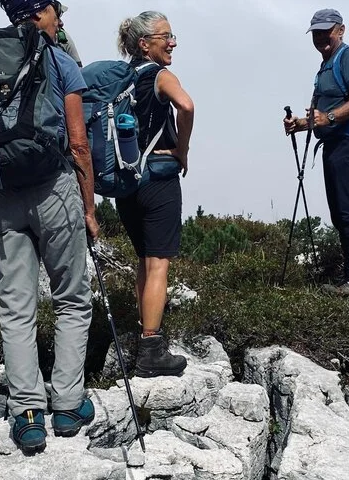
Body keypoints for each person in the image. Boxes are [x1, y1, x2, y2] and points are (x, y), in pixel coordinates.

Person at [0, 0, 101, 454]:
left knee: (15, 304)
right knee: (71, 296)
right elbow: (78, 142)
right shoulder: (61, 62)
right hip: (52, 189)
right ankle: (68, 405)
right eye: (54, 9)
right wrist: (88, 210)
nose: (60, 17)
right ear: (38, 13)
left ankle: (27, 414)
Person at [115, 11, 195, 377]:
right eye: (166, 36)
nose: (173, 42)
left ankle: (143, 335)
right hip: (158, 183)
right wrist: (182, 151)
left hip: (125, 185)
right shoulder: (161, 76)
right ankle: (151, 349)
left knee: (143, 261)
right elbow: (187, 106)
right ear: (145, 43)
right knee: (158, 263)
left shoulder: (120, 79)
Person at [284, 8, 349, 296]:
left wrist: (329, 118)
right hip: (335, 144)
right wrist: (300, 123)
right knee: (339, 212)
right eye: (317, 32)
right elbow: (322, 115)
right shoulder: (326, 65)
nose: (321, 37)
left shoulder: (348, 57)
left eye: (327, 31)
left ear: (341, 30)